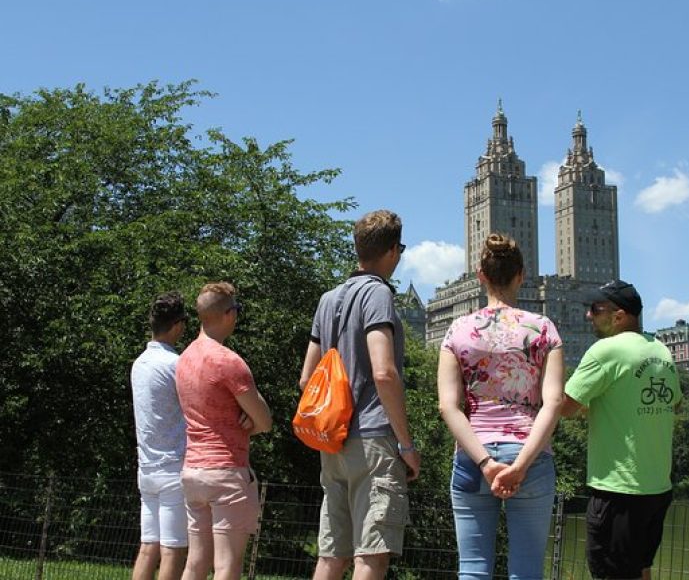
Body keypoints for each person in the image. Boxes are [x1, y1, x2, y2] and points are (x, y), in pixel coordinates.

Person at [299, 209, 421, 580]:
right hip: (373, 440)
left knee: (332, 555)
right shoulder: (378, 294)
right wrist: (406, 445)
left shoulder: (328, 299)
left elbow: (307, 379)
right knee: (372, 553)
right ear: (390, 251)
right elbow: (384, 372)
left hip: (333, 441)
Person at [437, 233, 565, 580]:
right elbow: (552, 402)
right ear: (521, 275)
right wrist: (520, 466)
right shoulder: (542, 328)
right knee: (526, 571)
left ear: (481, 275)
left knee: (473, 570)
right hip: (531, 455)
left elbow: (449, 406)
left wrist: (486, 463)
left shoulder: (458, 330)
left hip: (472, 456)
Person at [562, 280, 682, 580]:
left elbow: (565, 406)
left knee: (610, 573)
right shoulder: (661, 351)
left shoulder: (606, 350)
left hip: (618, 489)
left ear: (619, 316)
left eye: (595, 309)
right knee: (641, 570)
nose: (589, 315)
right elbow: (675, 405)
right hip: (657, 488)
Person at [176, 282, 272, 580]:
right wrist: (248, 420)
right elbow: (265, 421)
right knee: (227, 566)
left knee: (195, 562)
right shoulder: (229, 362)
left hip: (193, 471)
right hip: (227, 471)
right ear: (229, 314)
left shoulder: (184, 359)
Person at [131, 292, 190, 580]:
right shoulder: (175, 365)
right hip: (173, 469)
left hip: (147, 468)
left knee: (148, 548)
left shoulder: (139, 364)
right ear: (178, 325)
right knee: (173, 550)